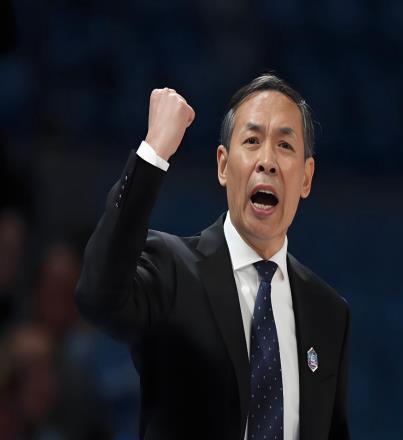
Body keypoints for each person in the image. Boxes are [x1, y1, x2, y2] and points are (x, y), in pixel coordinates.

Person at [75, 74, 350, 440]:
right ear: (223, 165)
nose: (267, 161)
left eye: (285, 145)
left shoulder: (329, 312)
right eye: (252, 141)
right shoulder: (172, 269)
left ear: (306, 177)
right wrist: (154, 151)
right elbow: (97, 297)